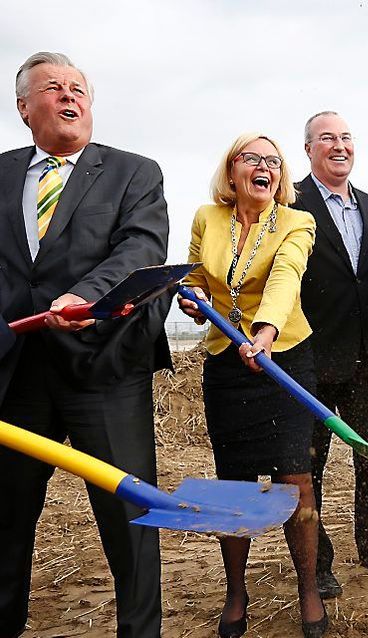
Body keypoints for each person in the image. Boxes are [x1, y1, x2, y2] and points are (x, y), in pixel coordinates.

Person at [0, 51, 170, 638]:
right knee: (6, 517)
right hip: (14, 375)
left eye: (79, 88)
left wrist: (83, 296)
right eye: (53, 88)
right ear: (24, 108)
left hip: (104, 370)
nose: (70, 96)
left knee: (130, 521)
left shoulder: (133, 172)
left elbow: (140, 250)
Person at [177, 133, 328, 638]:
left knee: (294, 479)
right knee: (234, 482)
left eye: (274, 162)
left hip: (283, 358)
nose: (265, 167)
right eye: (252, 159)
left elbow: (287, 274)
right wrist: (193, 295)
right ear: (232, 169)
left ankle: (308, 589)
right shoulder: (207, 217)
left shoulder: (297, 221)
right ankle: (236, 590)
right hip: (226, 362)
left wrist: (264, 331)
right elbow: (197, 275)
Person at [293, 111, 368, 600]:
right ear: (308, 150)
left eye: (345, 137)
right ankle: (316, 562)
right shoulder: (290, 202)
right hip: (309, 358)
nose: (338, 145)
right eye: (327, 138)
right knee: (310, 466)